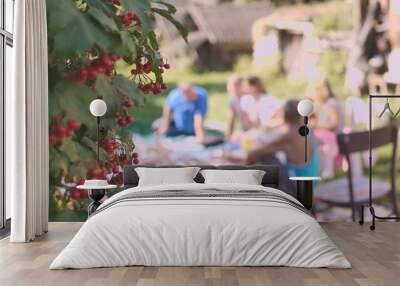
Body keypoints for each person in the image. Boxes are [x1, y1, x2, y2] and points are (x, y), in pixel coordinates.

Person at [225, 99, 320, 178]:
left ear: (285, 116)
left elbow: (256, 153)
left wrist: (239, 162)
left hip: (299, 183)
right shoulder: (306, 130)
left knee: (265, 159)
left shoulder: (291, 135)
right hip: (310, 179)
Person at [310, 79, 343, 178]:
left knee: (316, 140)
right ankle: (316, 168)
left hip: (329, 135)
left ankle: (325, 169)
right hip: (319, 133)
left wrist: (316, 125)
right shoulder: (316, 106)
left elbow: (333, 125)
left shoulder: (330, 106)